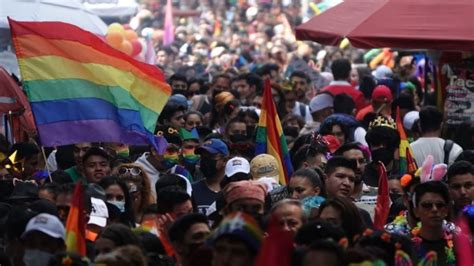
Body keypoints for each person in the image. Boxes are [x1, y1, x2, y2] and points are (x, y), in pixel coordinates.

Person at [411, 181, 455, 265]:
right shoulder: (405, 246)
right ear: (416, 211)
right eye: (427, 205)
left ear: (446, 211)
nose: (434, 209)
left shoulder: (459, 244)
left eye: (439, 205)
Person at [192, 138, 229, 215]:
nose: (205, 161)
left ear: (225, 160)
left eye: (210, 157)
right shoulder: (193, 190)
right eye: (203, 157)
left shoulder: (232, 189)